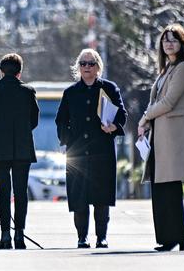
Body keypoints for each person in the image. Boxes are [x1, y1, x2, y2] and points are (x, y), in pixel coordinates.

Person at [138, 23, 184, 252]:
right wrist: (147, 121)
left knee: (171, 191)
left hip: (173, 139)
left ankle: (177, 237)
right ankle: (166, 238)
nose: (168, 43)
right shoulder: (166, 70)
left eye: (173, 40)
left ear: (182, 44)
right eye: (165, 40)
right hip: (160, 138)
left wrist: (144, 118)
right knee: (160, 190)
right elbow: (157, 100)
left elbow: (168, 102)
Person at [55, 48, 126, 249]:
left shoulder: (110, 89)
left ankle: (101, 237)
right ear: (78, 67)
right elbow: (61, 121)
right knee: (80, 197)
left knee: (101, 197)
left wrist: (113, 127)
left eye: (91, 63)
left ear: (98, 67)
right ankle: (81, 237)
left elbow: (122, 115)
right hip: (77, 154)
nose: (87, 67)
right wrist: (67, 141)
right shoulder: (70, 92)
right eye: (83, 63)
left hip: (102, 151)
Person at [0, 53, 39, 250]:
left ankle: (5, 235)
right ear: (19, 72)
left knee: (3, 192)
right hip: (22, 147)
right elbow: (34, 120)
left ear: (1, 71)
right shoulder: (28, 92)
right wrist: (21, 132)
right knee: (21, 192)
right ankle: (19, 235)